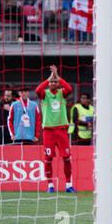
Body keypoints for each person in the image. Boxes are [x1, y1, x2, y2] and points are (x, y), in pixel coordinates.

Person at [35, 65, 75, 193]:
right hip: (48, 131)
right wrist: (48, 79)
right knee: (48, 159)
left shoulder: (62, 93)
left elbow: (69, 88)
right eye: (51, 82)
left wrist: (57, 76)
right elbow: (37, 90)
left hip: (62, 130)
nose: (53, 83)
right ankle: (50, 185)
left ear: (58, 83)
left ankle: (68, 184)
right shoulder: (44, 94)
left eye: (55, 82)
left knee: (67, 158)